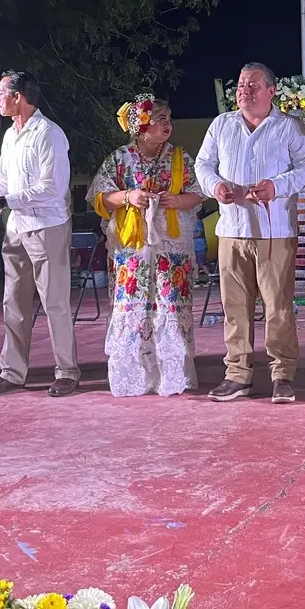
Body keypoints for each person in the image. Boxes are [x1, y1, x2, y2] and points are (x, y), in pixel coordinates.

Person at [195, 63, 305, 404]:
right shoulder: (222, 125)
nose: (244, 90)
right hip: (232, 229)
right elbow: (203, 165)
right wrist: (214, 186)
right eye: (241, 85)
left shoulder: (287, 127)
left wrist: (277, 187)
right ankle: (237, 374)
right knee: (234, 307)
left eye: (253, 85)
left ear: (271, 91)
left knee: (278, 306)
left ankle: (282, 375)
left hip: (275, 230)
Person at [0, 70, 80, 398]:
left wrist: (3, 200)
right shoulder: (10, 135)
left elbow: (51, 188)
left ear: (18, 96)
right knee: (13, 303)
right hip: (16, 228)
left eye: (1, 93)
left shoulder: (49, 133)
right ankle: (12, 372)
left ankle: (67, 371)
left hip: (47, 227)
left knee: (55, 302)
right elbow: (6, 182)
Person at [88, 95, 203, 397]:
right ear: (141, 125)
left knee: (171, 303)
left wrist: (178, 200)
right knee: (132, 304)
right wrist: (128, 196)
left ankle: (172, 376)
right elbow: (99, 196)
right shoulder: (119, 158)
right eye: (160, 118)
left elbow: (198, 193)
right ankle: (134, 376)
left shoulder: (181, 157)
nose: (168, 124)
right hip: (132, 246)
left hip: (171, 244)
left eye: (168, 118)